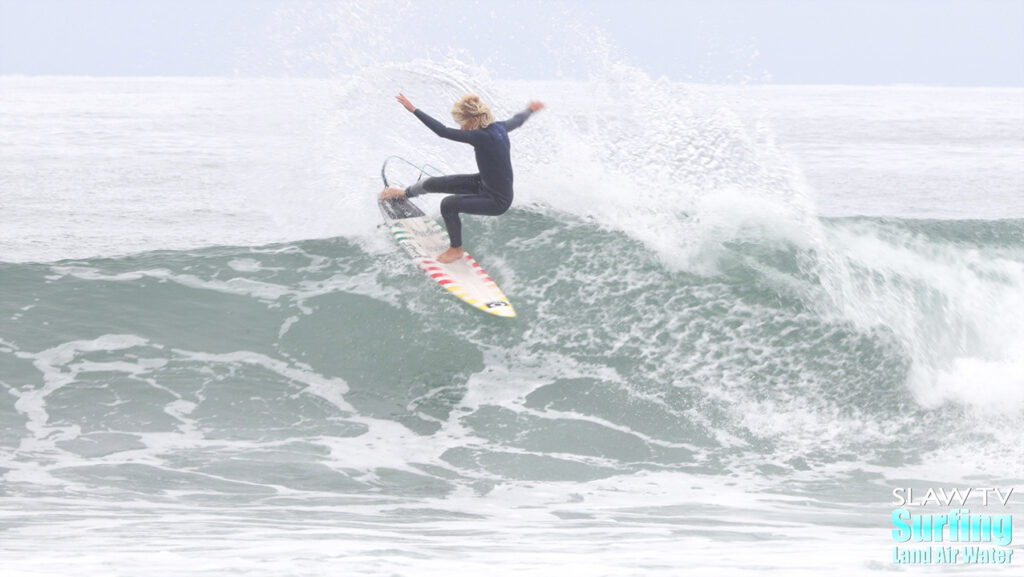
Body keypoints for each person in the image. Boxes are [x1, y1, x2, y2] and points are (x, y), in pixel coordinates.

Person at [381, 93, 544, 263]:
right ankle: (404, 193)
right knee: (431, 183)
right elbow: (517, 120)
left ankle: (456, 249)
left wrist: (414, 109)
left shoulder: (481, 136)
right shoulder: (500, 127)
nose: (461, 128)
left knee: (448, 204)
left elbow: (442, 131)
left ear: (473, 120)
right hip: (484, 183)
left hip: (497, 200)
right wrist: (530, 110)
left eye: (462, 123)